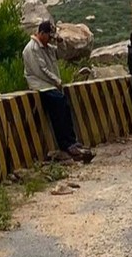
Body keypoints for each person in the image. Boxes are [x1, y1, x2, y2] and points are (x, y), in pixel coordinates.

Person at [23, 20, 94, 163]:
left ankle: (72, 141)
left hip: (51, 85)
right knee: (58, 111)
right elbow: (41, 70)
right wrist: (57, 80)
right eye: (49, 35)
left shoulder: (47, 47)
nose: (51, 39)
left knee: (65, 109)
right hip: (42, 85)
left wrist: (60, 41)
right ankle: (66, 144)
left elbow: (61, 54)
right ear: (42, 33)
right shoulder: (32, 49)